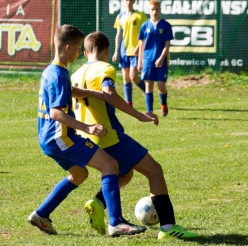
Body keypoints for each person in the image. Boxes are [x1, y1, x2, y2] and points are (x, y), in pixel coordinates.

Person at [71, 31, 198, 240]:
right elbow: (109, 93)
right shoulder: (105, 68)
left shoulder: (76, 74)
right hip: (109, 136)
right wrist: (140, 115)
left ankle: (98, 202)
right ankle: (168, 227)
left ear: (85, 53)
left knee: (124, 173)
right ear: (107, 50)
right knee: (155, 171)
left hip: (88, 137)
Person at [27, 24, 146, 237]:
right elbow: (56, 113)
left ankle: (41, 214)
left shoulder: (54, 70)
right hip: (60, 136)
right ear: (68, 46)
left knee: (79, 174)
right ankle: (116, 222)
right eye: (78, 47)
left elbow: (70, 91)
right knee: (110, 165)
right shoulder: (57, 74)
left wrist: (91, 92)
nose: (79, 52)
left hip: (48, 137)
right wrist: (87, 127)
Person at [138, 0, 174, 117]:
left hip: (161, 61)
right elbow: (141, 45)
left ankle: (163, 103)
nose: (154, 11)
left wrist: (161, 58)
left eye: (157, 9)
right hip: (147, 60)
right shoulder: (144, 26)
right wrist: (140, 61)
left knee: (161, 86)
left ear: (160, 10)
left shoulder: (166, 25)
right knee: (148, 86)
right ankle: (150, 111)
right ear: (149, 10)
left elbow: (167, 44)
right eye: (152, 9)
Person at [112, 0, 147, 107]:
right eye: (126, 0)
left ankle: (146, 89)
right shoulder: (120, 16)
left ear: (134, 1)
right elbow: (118, 34)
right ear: (123, 1)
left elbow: (145, 34)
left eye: (130, 0)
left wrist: (138, 47)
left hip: (135, 51)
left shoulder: (140, 16)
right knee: (126, 78)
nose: (128, 2)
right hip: (123, 51)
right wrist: (116, 51)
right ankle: (129, 103)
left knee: (133, 76)